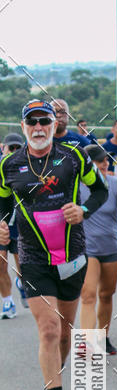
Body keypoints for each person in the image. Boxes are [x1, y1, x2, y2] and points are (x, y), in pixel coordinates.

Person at [0, 100, 108, 390]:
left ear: (52, 124)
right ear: (23, 126)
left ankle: (51, 385)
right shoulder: (8, 165)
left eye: (43, 121)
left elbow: (100, 191)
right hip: (33, 259)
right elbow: (3, 204)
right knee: (47, 329)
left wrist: (84, 211)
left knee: (64, 332)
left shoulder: (73, 157)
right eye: (31, 122)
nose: (38, 127)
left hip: (73, 256)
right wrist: (2, 224)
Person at [80, 145, 117, 354]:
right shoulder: (76, 186)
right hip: (87, 248)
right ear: (88, 164)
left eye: (105, 160)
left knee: (106, 295)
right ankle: (86, 343)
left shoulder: (116, 183)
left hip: (111, 247)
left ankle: (103, 338)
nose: (104, 164)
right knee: (88, 295)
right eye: (99, 160)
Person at [0, 132, 25, 318]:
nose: (14, 152)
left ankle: (22, 283)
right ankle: (7, 303)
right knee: (1, 265)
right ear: (3, 148)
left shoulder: (25, 168)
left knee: (22, 267)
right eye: (11, 148)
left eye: (18, 148)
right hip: (1, 223)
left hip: (18, 223)